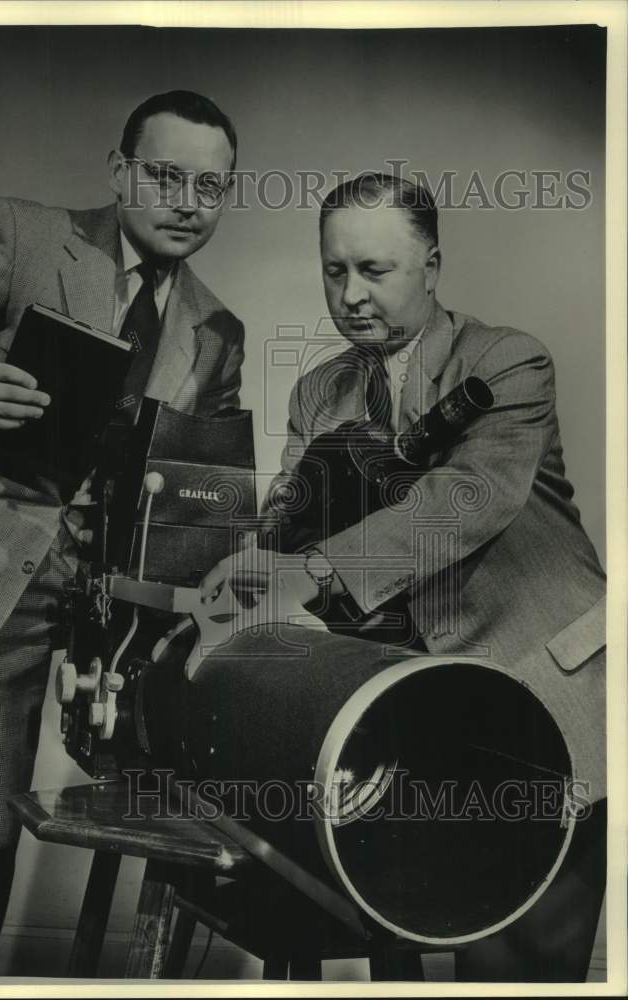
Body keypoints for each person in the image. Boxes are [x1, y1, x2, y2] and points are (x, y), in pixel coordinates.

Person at [0, 89, 244, 976]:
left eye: (211, 187)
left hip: (69, 619)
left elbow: (186, 499)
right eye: (166, 176)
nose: (188, 202)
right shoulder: (19, 235)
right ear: (118, 171)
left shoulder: (218, 331)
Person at [200, 172, 606, 982]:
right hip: (418, 719)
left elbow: (461, 501)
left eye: (374, 271)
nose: (350, 295)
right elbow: (290, 517)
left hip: (542, 704)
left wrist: (308, 571)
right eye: (333, 270)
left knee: (515, 969)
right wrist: (244, 568)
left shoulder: (506, 362)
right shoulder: (322, 391)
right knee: (396, 945)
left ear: (431, 265)